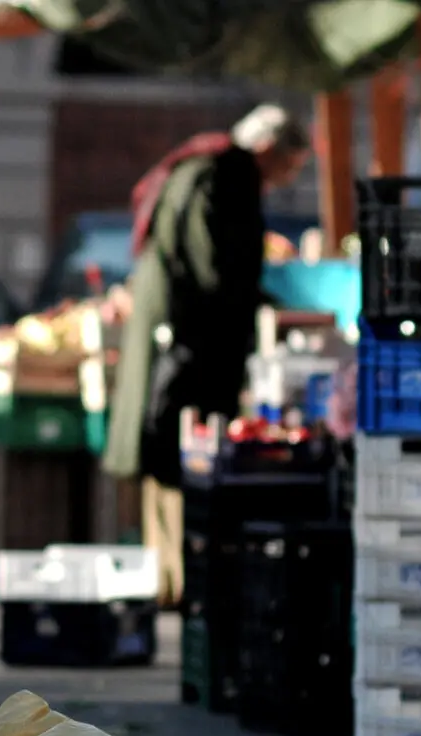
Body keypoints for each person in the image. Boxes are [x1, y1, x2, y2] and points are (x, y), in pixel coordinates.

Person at [101, 104, 312, 604]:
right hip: (191, 341)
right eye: (289, 167)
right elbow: (216, 270)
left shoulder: (200, 165)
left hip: (172, 332)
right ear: (268, 149)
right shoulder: (228, 173)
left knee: (163, 456)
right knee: (182, 456)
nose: (285, 181)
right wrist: (269, 306)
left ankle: (167, 581)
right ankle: (180, 581)